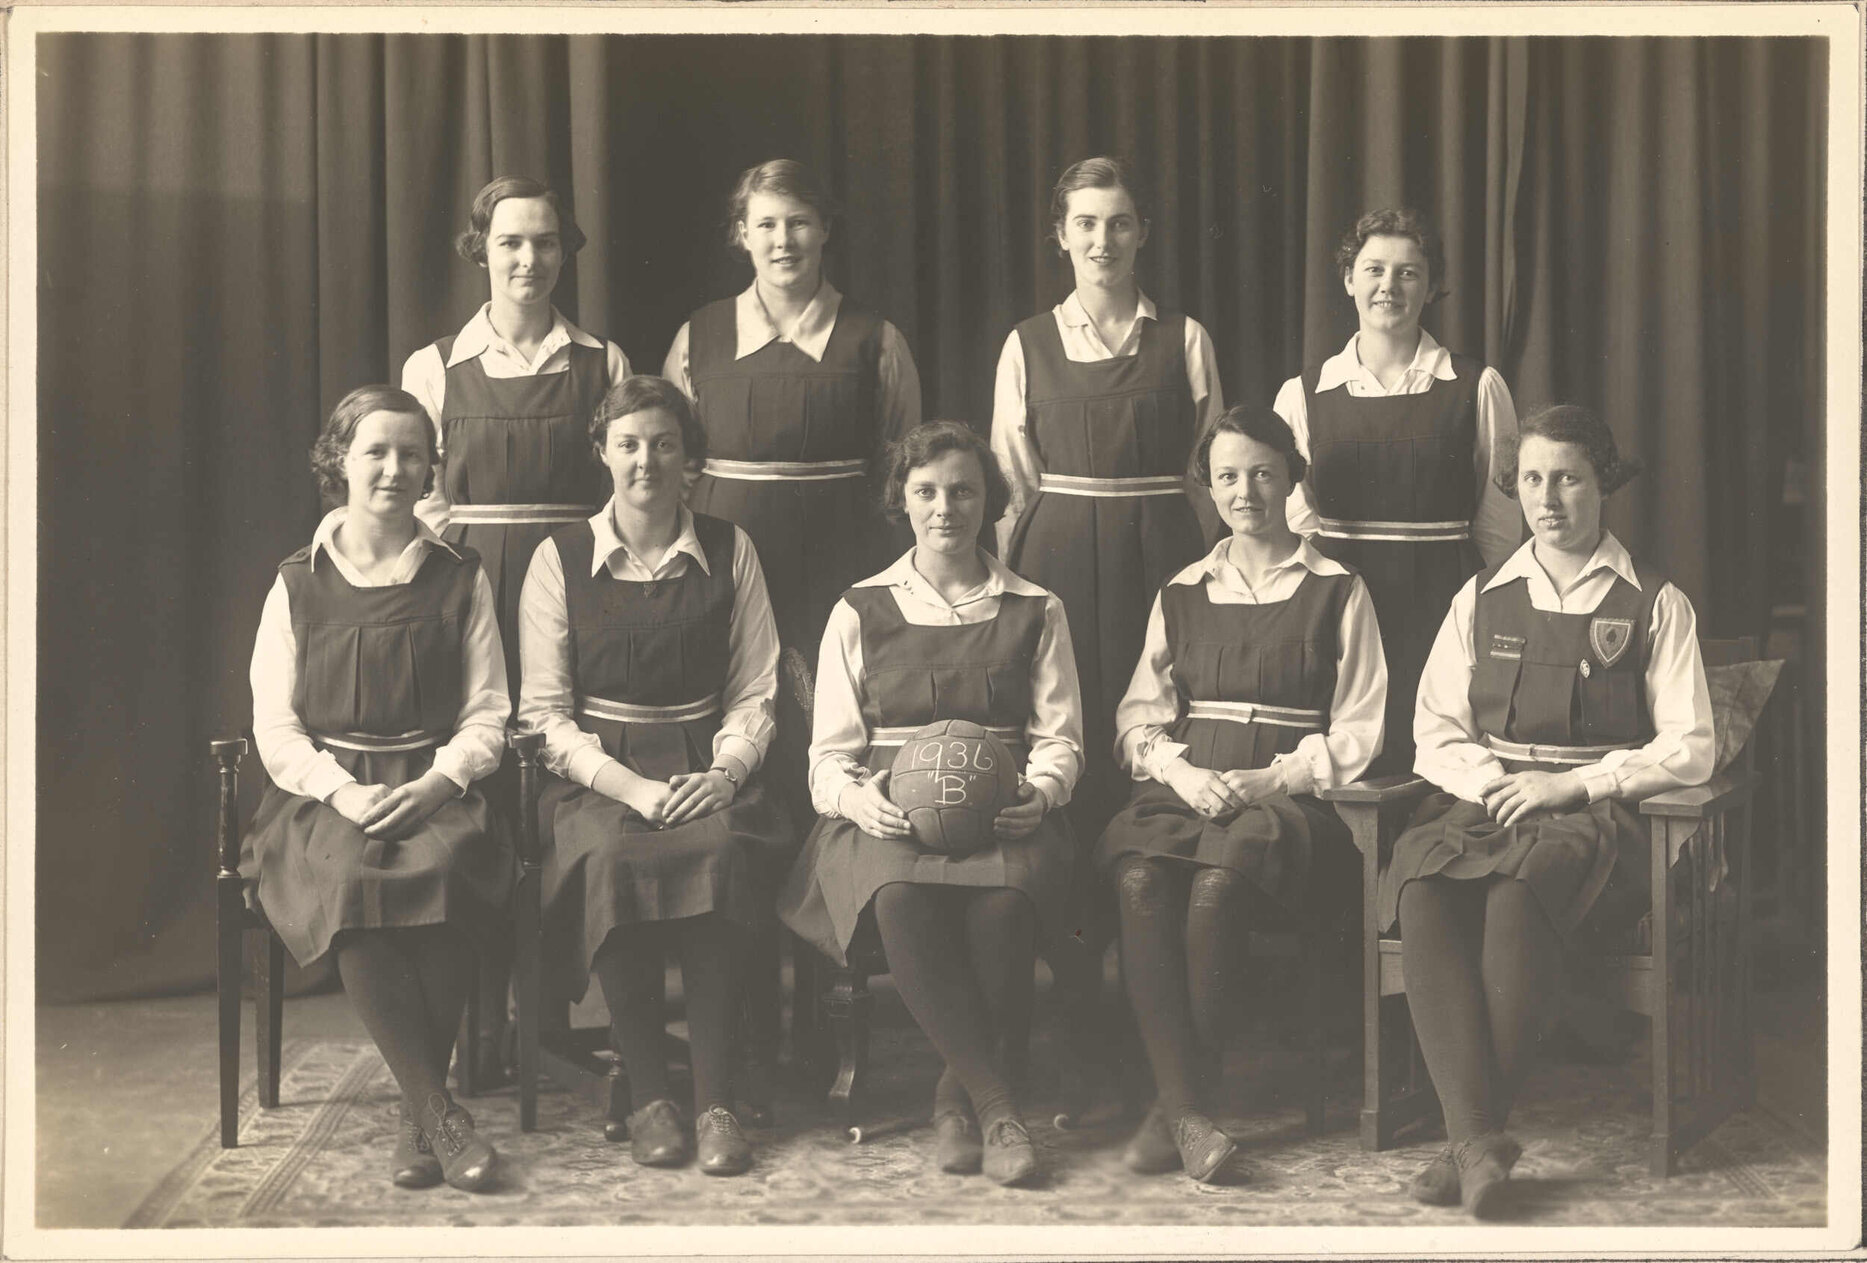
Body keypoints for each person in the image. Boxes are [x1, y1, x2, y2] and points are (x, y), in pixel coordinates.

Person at [1378, 404, 1713, 1216]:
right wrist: (1491, 780)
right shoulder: (1481, 596)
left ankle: (1466, 1137)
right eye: (1531, 478)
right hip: (1492, 800)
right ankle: (1479, 1143)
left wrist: (1577, 785)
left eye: (1567, 477)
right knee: (1420, 879)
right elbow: (1433, 729)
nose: (1548, 497)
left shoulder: (1653, 602)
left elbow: (1692, 745)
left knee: (1517, 889)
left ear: (1603, 485)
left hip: (1598, 820)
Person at [777, 422, 1084, 1186]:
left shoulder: (1035, 605)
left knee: (1008, 902)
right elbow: (826, 757)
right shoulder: (859, 607)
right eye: (926, 492)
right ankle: (996, 1104)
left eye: (962, 491)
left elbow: (1062, 742)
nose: (944, 508)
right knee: (898, 897)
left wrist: (1041, 795)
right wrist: (856, 800)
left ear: (990, 501)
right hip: (887, 819)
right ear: (901, 501)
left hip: (999, 816)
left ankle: (953, 1098)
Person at [1096, 406, 1387, 1183]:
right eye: (1226, 475)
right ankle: (1188, 1111)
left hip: (1287, 802)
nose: (1244, 489)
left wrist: (1271, 777)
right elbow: (1137, 720)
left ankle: (1176, 1106)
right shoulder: (1182, 589)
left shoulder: (1336, 588)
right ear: (1207, 485)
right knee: (1136, 876)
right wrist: (1183, 772)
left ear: (1291, 477)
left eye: (1261, 471)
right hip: (1190, 787)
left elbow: (1360, 729)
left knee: (1218, 889)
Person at [517, 375, 793, 1176]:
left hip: (707, 763)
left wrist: (727, 770)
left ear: (689, 457)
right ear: (602, 451)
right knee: (609, 858)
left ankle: (711, 1100)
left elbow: (756, 689)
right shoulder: (558, 557)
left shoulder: (731, 548)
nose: (647, 460)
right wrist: (631, 787)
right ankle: (648, 1094)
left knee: (721, 853)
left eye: (665, 443)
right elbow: (543, 714)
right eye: (630, 443)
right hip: (597, 774)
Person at [242, 385, 511, 1192]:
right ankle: (435, 1108)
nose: (395, 468)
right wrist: (344, 794)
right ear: (339, 462)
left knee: (450, 868)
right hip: (322, 797)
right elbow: (276, 728)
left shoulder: (461, 577)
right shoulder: (295, 582)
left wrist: (437, 785)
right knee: (356, 880)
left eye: (411, 453)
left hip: (432, 783)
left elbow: (488, 713)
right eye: (376, 451)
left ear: (432, 465)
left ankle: (415, 1112)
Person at [402, 175, 631, 1081]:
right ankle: (476, 1030)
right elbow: (416, 494)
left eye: (545, 243)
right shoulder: (437, 366)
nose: (529, 260)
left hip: (577, 590)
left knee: (555, 801)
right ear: (481, 252)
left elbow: (625, 482)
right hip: (472, 590)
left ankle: (544, 1020)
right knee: (483, 799)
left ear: (565, 252)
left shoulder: (602, 361)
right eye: (510, 244)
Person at [991, 155, 1224, 834]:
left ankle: (1148, 862)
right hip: (1055, 551)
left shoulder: (1184, 337)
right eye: (1086, 223)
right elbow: (1011, 479)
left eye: (1119, 224)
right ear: (1059, 235)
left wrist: (1191, 555)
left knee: (1157, 703)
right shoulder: (1026, 343)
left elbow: (1209, 468)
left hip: (1163, 551)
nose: (1103, 241)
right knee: (1066, 708)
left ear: (1142, 232)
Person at [1271, 208, 1520, 775]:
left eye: (1408, 273)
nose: (1389, 286)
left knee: (1431, 758)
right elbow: (1295, 525)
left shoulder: (1476, 385)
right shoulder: (1303, 394)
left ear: (1430, 286)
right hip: (1340, 603)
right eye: (1374, 269)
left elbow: (1501, 524)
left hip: (1442, 598)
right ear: (1348, 279)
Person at [663, 157, 923, 653]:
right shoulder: (698, 336)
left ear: (824, 229)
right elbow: (674, 458)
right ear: (743, 234)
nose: (783, 240)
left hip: (846, 548)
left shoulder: (877, 339)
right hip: (724, 548)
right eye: (766, 224)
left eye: (799, 222)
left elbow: (901, 461)